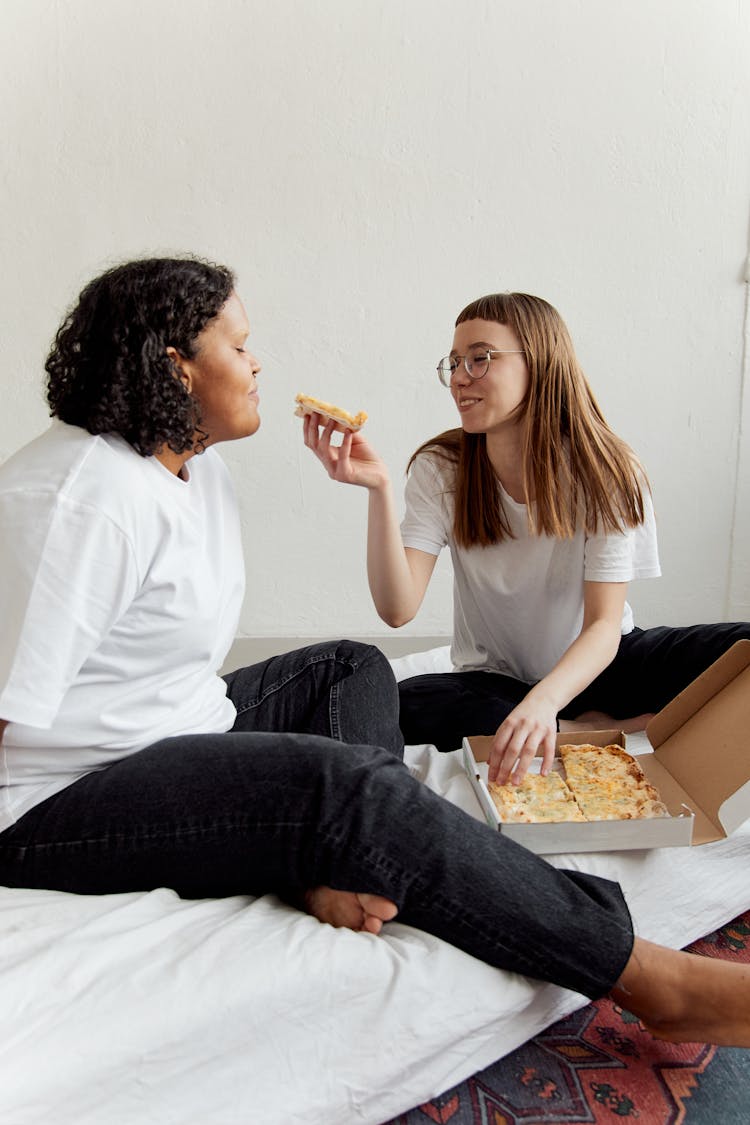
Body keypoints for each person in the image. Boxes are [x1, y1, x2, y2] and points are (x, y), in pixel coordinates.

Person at [1, 258, 749, 1050]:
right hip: (55, 795)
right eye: (241, 346)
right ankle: (652, 979)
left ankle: (345, 852)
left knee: (352, 666)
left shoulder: (194, 469)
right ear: (173, 364)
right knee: (344, 782)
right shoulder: (76, 502)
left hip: (178, 726)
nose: (259, 363)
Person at [302, 291, 750, 788]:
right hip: (497, 682)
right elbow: (398, 609)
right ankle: (588, 730)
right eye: (453, 362)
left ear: (540, 363)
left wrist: (543, 703)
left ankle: (569, 719)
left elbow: (603, 625)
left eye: (480, 359)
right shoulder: (441, 469)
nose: (458, 378)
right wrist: (379, 489)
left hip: (600, 664)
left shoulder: (607, 473)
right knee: (402, 701)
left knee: (740, 647)